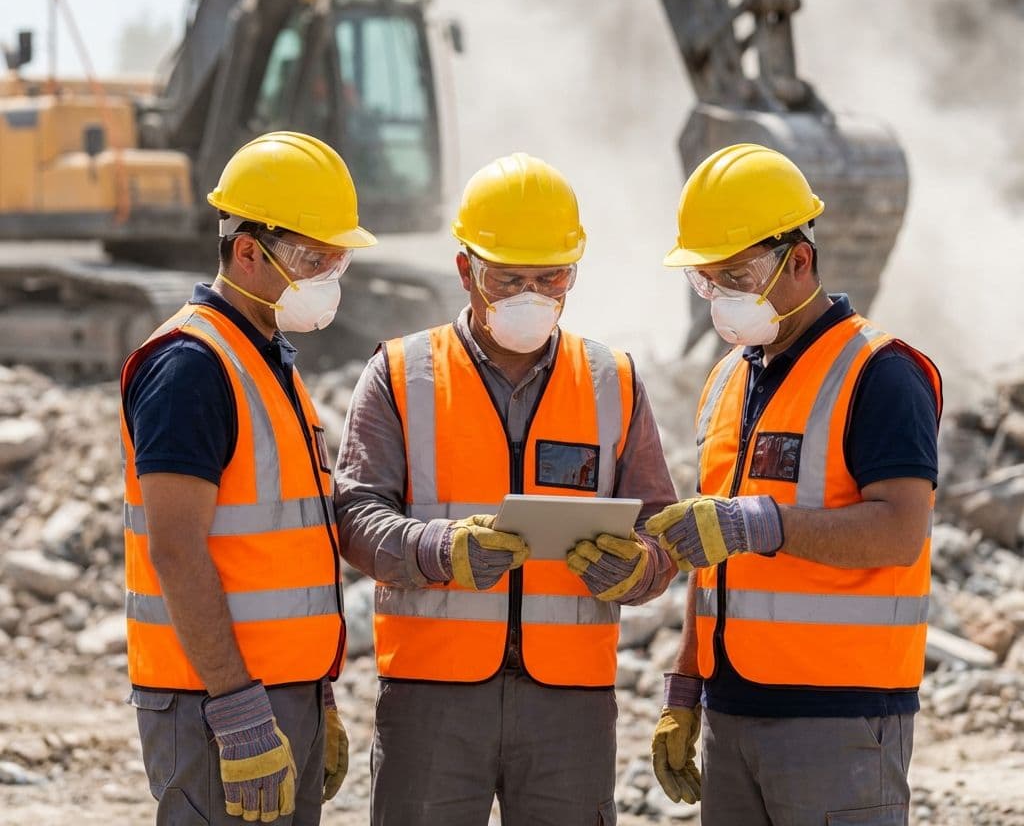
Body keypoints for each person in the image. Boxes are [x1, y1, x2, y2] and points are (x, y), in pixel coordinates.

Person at [334, 152, 678, 826]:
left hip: (569, 707)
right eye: (508, 277)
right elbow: (353, 516)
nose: (531, 294)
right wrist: (437, 549)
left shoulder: (614, 381)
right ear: (465, 269)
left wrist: (640, 567)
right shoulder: (401, 375)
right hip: (432, 697)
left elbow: (659, 529)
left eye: (551, 277)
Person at [647, 143, 942, 826]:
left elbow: (901, 532)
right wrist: (685, 688)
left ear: (800, 260)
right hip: (733, 712)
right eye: (707, 281)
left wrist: (762, 523)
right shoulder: (726, 381)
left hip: (841, 720)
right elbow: (712, 555)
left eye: (737, 275)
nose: (723, 296)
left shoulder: (881, 372)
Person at [121, 131, 376, 824]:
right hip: (216, 706)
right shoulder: (191, 367)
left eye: (336, 257)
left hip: (269, 696)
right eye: (311, 257)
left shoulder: (266, 360)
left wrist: (312, 696)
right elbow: (175, 548)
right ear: (246, 252)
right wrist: (239, 714)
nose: (328, 274)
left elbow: (283, 545)